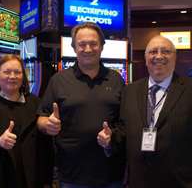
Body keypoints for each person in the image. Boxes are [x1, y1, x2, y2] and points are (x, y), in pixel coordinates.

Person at [110, 36, 192, 188]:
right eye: (153, 52)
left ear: (175, 58)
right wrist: (110, 139)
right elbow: (125, 131)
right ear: (146, 58)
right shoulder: (129, 91)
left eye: (166, 51)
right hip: (139, 182)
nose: (159, 56)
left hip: (183, 183)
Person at [36, 22, 125, 188]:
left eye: (93, 43)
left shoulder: (116, 79)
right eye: (82, 44)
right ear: (74, 48)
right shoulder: (59, 80)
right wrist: (47, 124)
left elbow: (126, 121)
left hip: (111, 171)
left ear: (102, 46)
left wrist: (112, 136)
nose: (88, 49)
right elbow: (41, 117)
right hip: (72, 173)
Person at [0, 55, 53, 188]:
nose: (12, 76)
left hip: (28, 175)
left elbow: (44, 145)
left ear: (23, 76)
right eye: (7, 72)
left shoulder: (35, 103)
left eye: (17, 72)